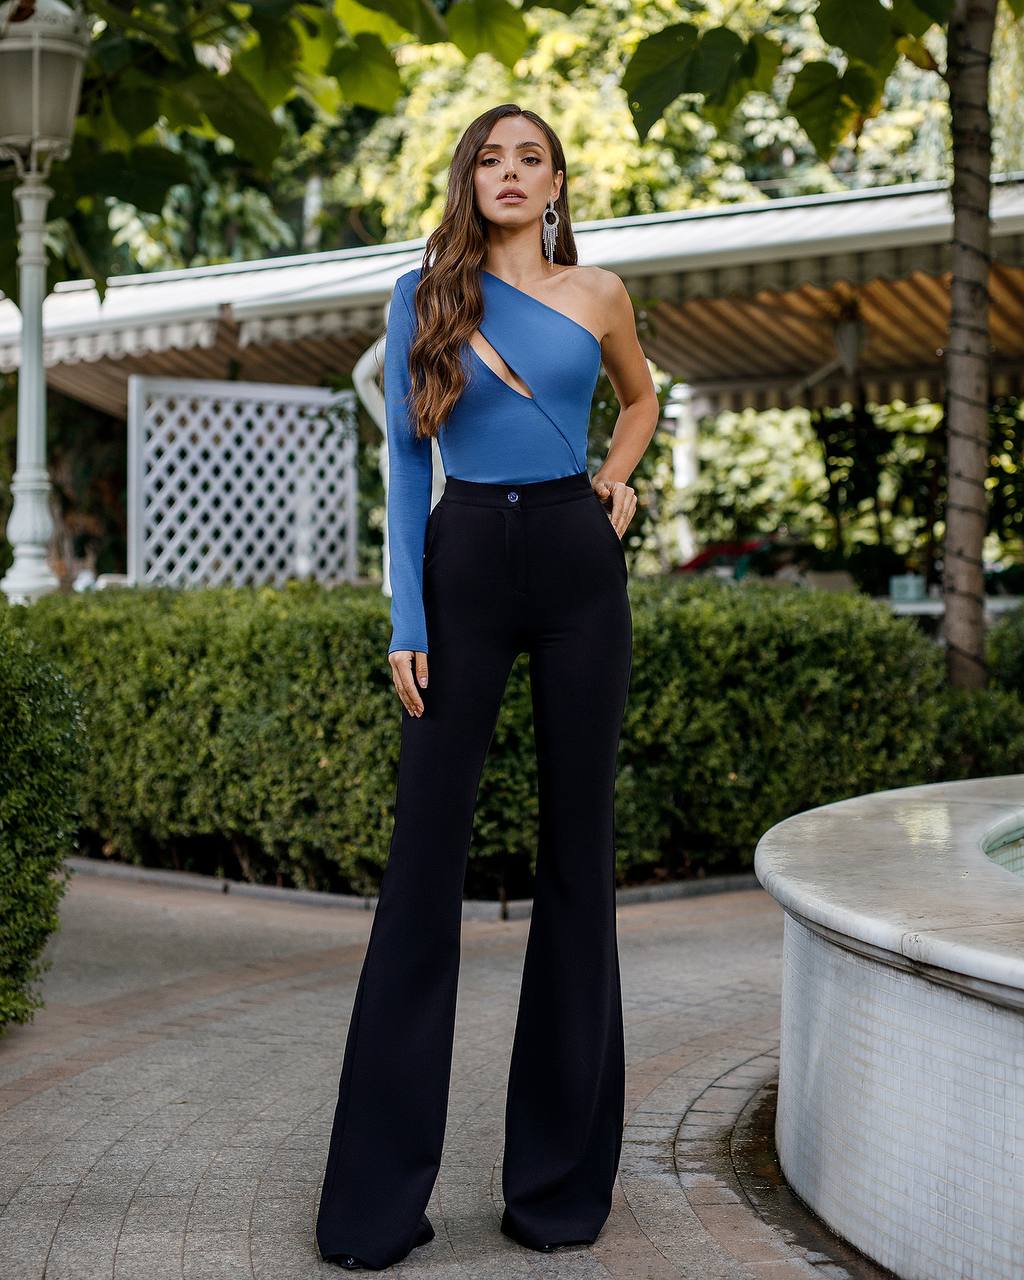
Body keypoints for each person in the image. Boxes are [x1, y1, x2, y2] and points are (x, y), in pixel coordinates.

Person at [315, 102, 659, 1271]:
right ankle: (372, 1204)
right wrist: (406, 616)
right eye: (488, 159)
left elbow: (643, 398)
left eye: (529, 158)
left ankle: (558, 1187)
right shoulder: (424, 297)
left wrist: (616, 482)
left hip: (575, 565)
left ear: (557, 181)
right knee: (423, 863)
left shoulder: (599, 293)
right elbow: (406, 463)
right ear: (466, 182)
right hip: (461, 565)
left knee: (577, 855)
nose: (509, 174)